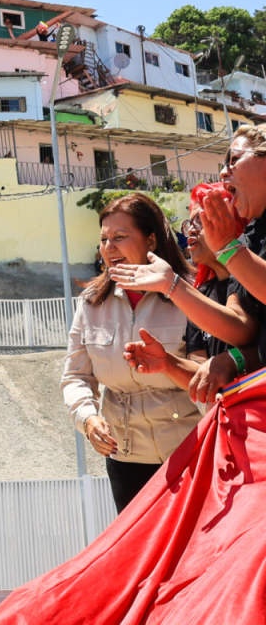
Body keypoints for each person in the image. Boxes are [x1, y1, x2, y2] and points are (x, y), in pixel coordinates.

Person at [61, 193, 200, 513]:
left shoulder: (190, 292)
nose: (109, 247)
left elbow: (210, 372)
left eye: (120, 237)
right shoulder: (91, 303)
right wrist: (88, 419)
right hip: (125, 459)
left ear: (151, 240)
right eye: (104, 239)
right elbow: (75, 377)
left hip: (191, 450)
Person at [113, 182, 260, 395]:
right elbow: (203, 373)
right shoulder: (198, 294)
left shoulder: (254, 282)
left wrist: (235, 359)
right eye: (189, 223)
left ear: (234, 220)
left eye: (201, 220)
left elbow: (246, 335)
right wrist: (168, 363)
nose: (191, 229)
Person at [186, 124, 266, 403]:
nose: (223, 172)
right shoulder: (249, 237)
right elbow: (242, 328)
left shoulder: (236, 246)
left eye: (234, 159)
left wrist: (226, 247)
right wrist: (171, 286)